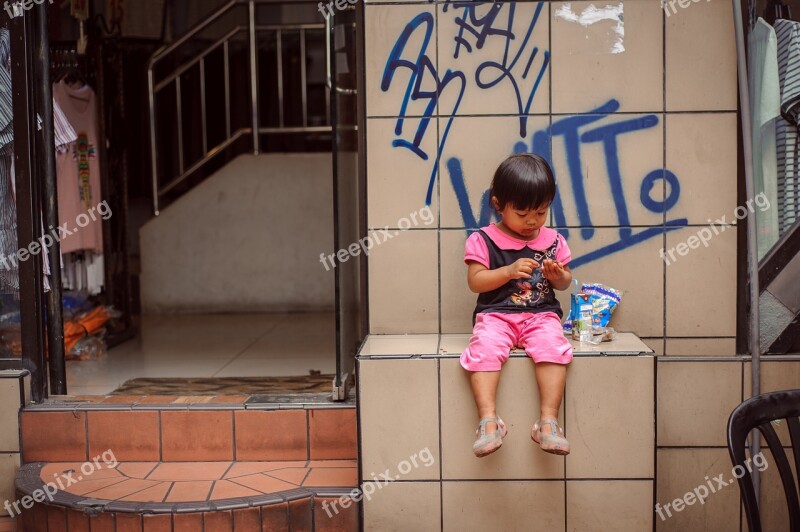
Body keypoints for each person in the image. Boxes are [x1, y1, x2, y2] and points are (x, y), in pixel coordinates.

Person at [461, 153, 573, 458]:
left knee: (554, 347)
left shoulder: (553, 241)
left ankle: (548, 422)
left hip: (541, 315)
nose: (532, 221)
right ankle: (488, 421)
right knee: (483, 349)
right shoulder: (483, 240)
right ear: (498, 205)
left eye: (540, 211)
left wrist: (560, 276)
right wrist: (508, 272)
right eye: (522, 212)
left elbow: (564, 284)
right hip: (496, 316)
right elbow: (476, 281)